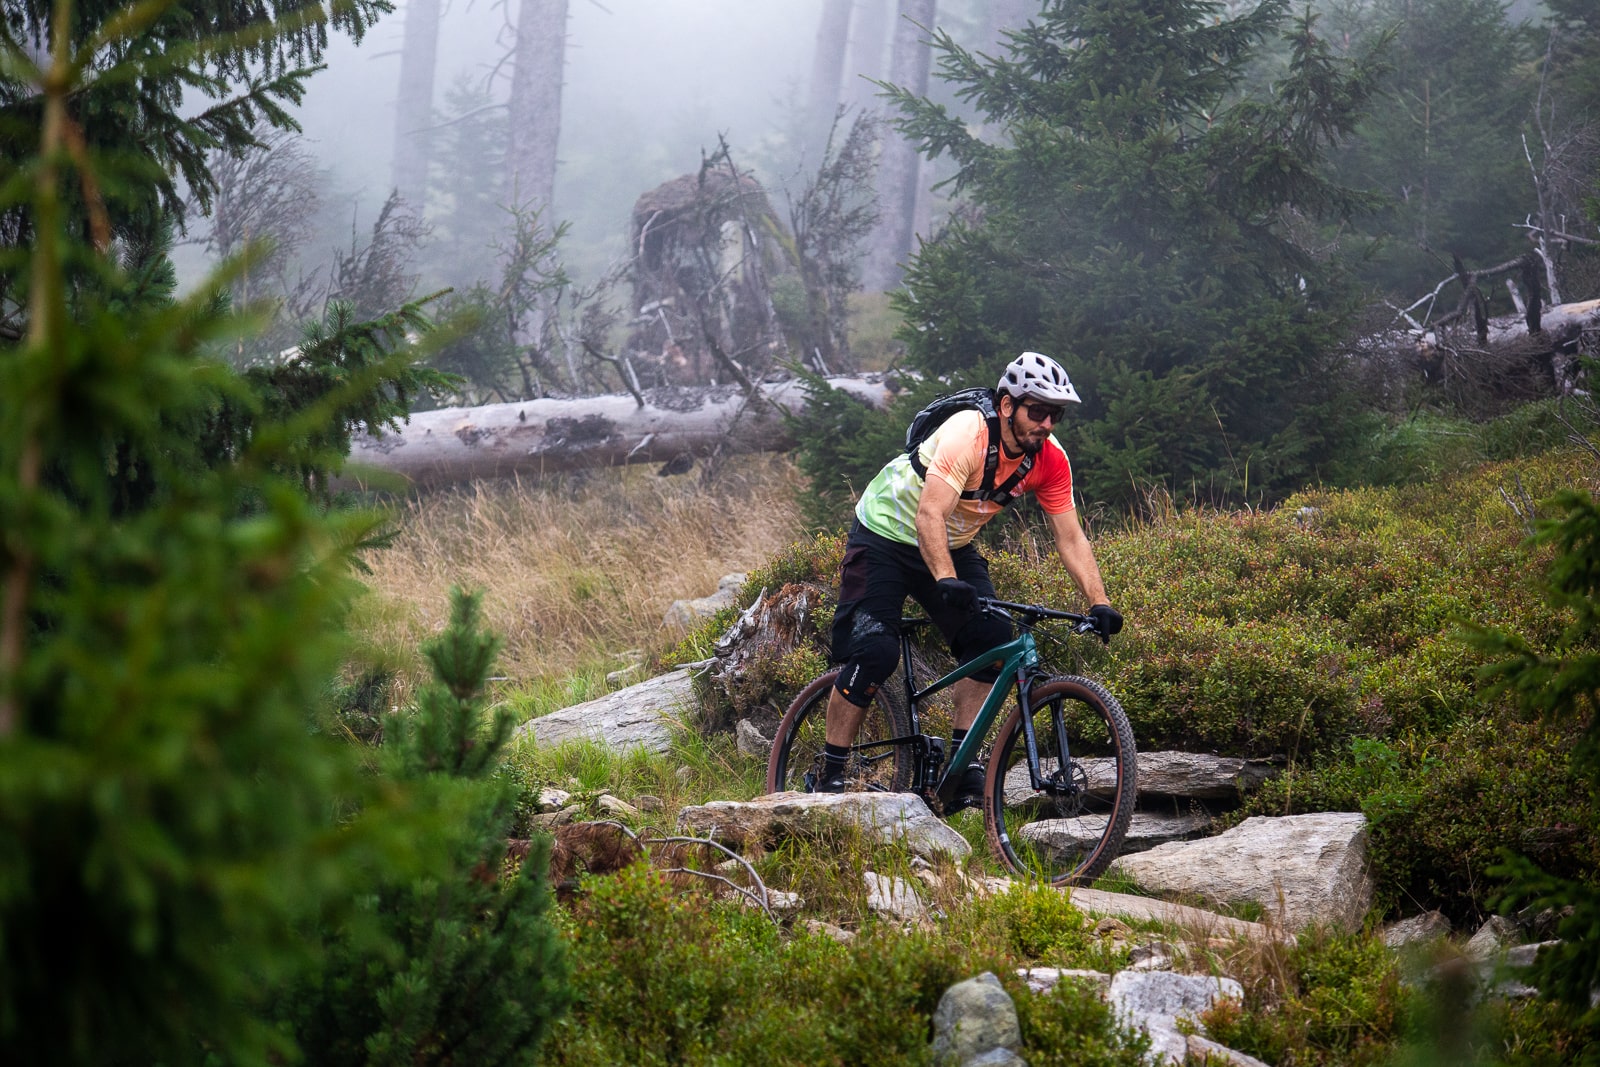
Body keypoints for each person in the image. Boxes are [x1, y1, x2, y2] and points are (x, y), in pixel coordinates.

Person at [818, 351, 1122, 802]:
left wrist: (1099, 602)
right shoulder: (968, 434)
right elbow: (929, 513)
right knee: (877, 651)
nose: (1047, 423)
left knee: (993, 643)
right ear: (1006, 406)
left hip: (951, 544)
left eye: (1054, 414)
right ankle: (831, 773)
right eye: (1036, 411)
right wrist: (943, 579)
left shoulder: (1049, 460)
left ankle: (962, 768)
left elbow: (1071, 538)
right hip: (884, 534)